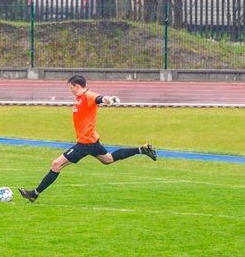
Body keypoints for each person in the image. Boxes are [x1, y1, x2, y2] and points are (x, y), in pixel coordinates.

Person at [19, 74, 157, 202]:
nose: (70, 90)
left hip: (85, 143)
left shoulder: (88, 96)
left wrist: (110, 99)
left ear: (77, 86)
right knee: (108, 159)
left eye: (71, 88)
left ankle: (34, 194)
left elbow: (100, 98)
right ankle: (142, 149)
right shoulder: (79, 98)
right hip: (92, 140)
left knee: (56, 164)